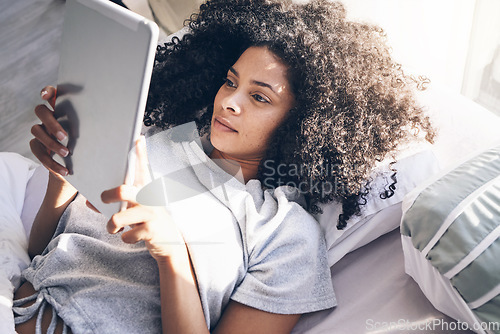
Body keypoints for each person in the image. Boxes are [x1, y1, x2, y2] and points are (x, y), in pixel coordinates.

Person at [14, 0, 435, 333]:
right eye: (231, 81)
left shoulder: (287, 236)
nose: (229, 101)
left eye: (260, 97)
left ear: (303, 126)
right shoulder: (162, 141)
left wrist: (172, 252)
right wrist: (62, 174)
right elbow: (42, 253)